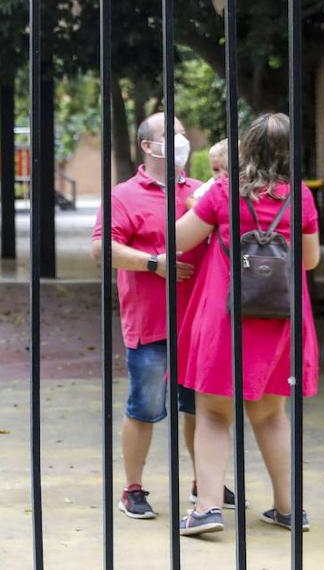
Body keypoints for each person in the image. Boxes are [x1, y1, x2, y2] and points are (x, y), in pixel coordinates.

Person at [173, 113, 318, 536]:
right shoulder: (301, 199)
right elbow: (309, 261)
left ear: (246, 148)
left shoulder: (222, 192)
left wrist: (193, 205)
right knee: (272, 415)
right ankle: (289, 509)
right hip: (279, 320)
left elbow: (178, 240)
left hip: (225, 318)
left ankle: (207, 509)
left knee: (214, 414)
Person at [91, 113, 228, 519]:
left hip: (199, 322)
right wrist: (155, 264)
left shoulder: (203, 192)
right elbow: (102, 249)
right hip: (150, 323)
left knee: (199, 407)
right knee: (144, 407)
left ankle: (204, 484)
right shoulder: (123, 195)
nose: (182, 140)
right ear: (148, 146)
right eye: (172, 135)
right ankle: (132, 488)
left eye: (184, 133)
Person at [186, 138, 228, 209]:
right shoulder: (212, 184)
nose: (221, 175)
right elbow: (190, 201)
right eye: (216, 170)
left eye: (227, 169)